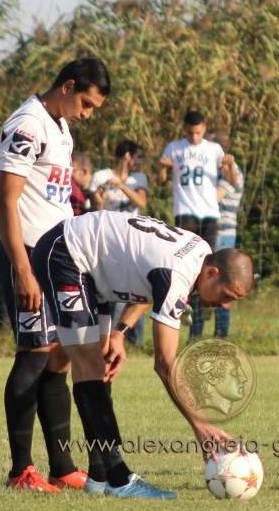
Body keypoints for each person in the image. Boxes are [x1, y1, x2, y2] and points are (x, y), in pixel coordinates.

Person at [30, 210, 254, 499]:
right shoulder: (179, 273)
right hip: (66, 254)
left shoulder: (199, 252)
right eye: (227, 296)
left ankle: (99, 477)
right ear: (213, 273)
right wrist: (201, 424)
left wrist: (120, 331)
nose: (225, 305)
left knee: (98, 361)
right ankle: (118, 479)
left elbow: (150, 280)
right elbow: (165, 363)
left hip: (93, 266)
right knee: (89, 363)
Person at [0, 57, 110, 493]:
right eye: (86, 103)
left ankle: (62, 466)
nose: (87, 114)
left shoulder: (60, 126)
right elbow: (5, 200)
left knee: (60, 354)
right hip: (27, 254)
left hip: (58, 258)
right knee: (34, 353)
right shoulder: (27, 125)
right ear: (67, 86)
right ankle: (21, 471)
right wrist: (22, 270)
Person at [158, 110, 236, 339]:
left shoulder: (214, 149)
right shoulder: (174, 148)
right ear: (184, 129)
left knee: (209, 266)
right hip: (185, 213)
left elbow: (232, 181)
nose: (194, 137)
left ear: (204, 129)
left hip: (209, 213)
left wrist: (230, 166)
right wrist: (163, 168)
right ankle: (192, 318)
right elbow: (161, 182)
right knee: (187, 265)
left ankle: (209, 305)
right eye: (191, 133)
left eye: (199, 133)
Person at [90, 139, 150, 344]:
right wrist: (99, 200)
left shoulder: (138, 178)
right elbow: (96, 210)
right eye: (137, 157)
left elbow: (141, 202)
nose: (139, 162)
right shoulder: (101, 176)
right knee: (109, 289)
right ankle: (108, 338)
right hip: (108, 240)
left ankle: (135, 340)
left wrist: (122, 186)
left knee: (136, 289)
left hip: (132, 241)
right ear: (127, 156)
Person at [210, 129, 243, 338]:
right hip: (215, 232)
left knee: (221, 283)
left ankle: (221, 332)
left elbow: (213, 198)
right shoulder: (217, 172)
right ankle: (198, 332)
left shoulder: (231, 172)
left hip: (223, 234)